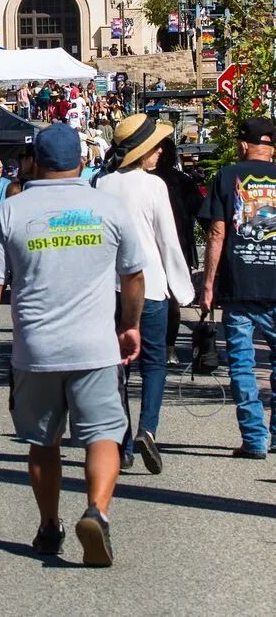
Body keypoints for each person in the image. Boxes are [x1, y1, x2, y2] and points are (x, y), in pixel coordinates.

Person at [0, 122, 145, 566]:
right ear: (81, 162)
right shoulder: (108, 208)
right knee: (104, 434)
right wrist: (130, 324)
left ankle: (49, 526)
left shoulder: (10, 211)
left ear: (34, 162)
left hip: (36, 348)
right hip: (96, 346)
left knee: (43, 441)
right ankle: (97, 511)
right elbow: (133, 275)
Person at [95, 114, 194, 474]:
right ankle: (147, 428)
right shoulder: (154, 186)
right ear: (141, 151)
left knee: (117, 365)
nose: (160, 152)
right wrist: (182, 288)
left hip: (110, 286)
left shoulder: (101, 184)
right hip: (150, 284)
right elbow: (168, 241)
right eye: (154, 147)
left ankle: (122, 442)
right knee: (153, 363)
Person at [199, 117, 276, 458]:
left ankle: (255, 439)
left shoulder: (227, 176)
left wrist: (208, 284)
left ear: (244, 145)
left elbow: (217, 233)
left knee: (242, 364)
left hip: (238, 283)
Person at [152, 137, 205, 364]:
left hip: (156, 246)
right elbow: (203, 215)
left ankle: (161, 347)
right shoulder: (182, 181)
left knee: (152, 298)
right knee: (172, 301)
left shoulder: (147, 181)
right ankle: (168, 348)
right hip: (178, 247)